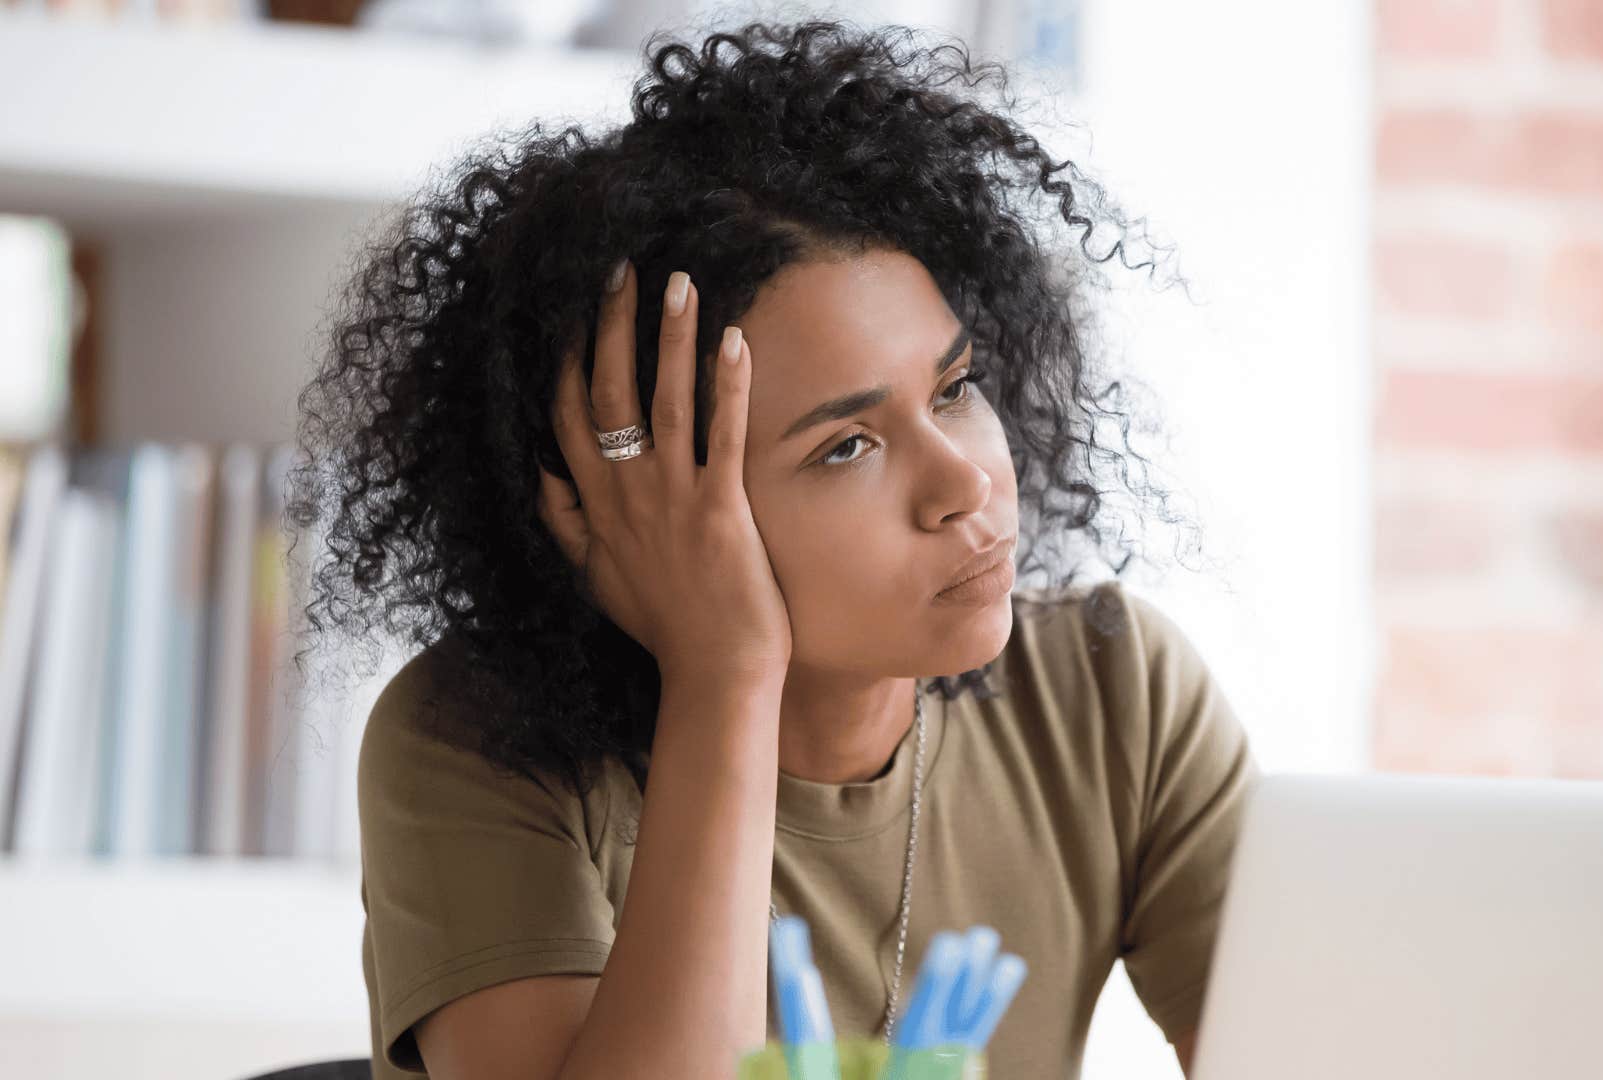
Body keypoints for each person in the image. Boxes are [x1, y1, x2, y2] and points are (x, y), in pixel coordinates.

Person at [288, 18, 1255, 1080]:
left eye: (954, 389)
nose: (965, 483)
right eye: (847, 446)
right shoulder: (476, 744)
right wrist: (725, 672)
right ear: (641, 500)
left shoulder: (1112, 692)